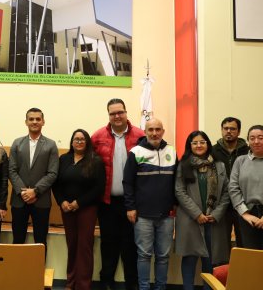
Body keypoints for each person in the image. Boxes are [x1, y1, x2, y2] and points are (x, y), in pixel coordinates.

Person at [91, 98, 144, 290]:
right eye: (113, 113)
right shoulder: (97, 137)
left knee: (131, 245)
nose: (117, 116)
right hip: (106, 202)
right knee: (108, 244)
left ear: (126, 112)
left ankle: (132, 283)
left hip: (132, 203)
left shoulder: (140, 136)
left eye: (120, 112)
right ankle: (106, 282)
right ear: (108, 115)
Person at [123, 118, 177, 290]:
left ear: (163, 131)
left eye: (158, 129)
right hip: (142, 215)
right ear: (145, 131)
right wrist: (130, 207)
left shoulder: (172, 151)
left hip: (166, 216)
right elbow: (128, 182)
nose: (154, 133)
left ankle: (160, 287)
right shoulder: (136, 152)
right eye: (151, 129)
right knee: (144, 255)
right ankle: (144, 288)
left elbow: (178, 182)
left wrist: (175, 204)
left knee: (163, 256)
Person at [175, 131, 230, 290]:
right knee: (190, 258)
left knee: (211, 260)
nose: (199, 145)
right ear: (189, 146)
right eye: (195, 143)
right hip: (190, 220)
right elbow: (180, 192)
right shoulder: (183, 165)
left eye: (202, 142)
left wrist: (216, 213)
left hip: (213, 221)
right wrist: (197, 214)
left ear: (208, 144)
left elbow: (227, 192)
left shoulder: (219, 166)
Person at [52, 129, 105, 290]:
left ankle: (83, 285)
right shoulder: (64, 159)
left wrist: (78, 203)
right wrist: (61, 202)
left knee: (84, 247)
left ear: (87, 142)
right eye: (76, 139)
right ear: (72, 142)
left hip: (86, 209)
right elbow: (56, 183)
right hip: (66, 209)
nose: (79, 142)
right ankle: (71, 282)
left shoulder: (95, 160)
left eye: (82, 139)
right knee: (72, 244)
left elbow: (99, 187)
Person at [8, 107, 59, 250]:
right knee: (17, 239)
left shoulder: (51, 145)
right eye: (31, 119)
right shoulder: (17, 143)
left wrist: (35, 191)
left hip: (41, 200)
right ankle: (17, 271)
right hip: (19, 200)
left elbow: (53, 173)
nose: (34, 121)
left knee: (40, 241)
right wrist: (23, 192)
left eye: (38, 119)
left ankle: (38, 272)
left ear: (43, 122)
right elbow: (11, 170)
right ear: (26, 122)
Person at [211, 117, 249, 253]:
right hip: (221, 205)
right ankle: (222, 272)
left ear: (238, 132)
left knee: (245, 243)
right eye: (225, 128)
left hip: (244, 204)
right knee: (220, 246)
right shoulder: (212, 151)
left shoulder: (248, 152)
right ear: (221, 130)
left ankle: (243, 272)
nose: (229, 131)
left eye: (232, 129)